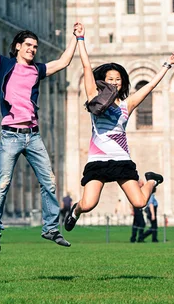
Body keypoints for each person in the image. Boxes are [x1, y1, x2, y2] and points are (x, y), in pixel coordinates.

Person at [0, 0, 74, 253]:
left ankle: (50, 228)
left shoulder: (37, 70)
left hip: (33, 135)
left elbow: (62, 62)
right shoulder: (3, 65)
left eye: (35, 47)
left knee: (49, 182)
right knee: (3, 184)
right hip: (11, 135)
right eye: (28, 45)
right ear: (17, 47)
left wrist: (77, 38)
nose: (32, 49)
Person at [63, 23, 165, 234]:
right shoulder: (94, 98)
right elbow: (85, 67)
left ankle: (152, 180)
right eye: (110, 79)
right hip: (97, 160)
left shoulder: (127, 104)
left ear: (123, 83)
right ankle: (75, 211)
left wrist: (166, 66)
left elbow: (148, 87)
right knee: (89, 204)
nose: (114, 82)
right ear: (103, 82)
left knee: (139, 202)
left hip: (120, 159)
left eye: (118, 80)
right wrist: (81, 39)